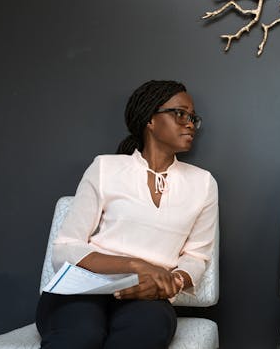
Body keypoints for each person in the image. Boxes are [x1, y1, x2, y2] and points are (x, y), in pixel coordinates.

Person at [35, 80, 218, 349]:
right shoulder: (105, 168)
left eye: (193, 117)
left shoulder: (203, 183)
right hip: (81, 291)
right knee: (80, 337)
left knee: (140, 337)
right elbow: (65, 250)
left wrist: (172, 281)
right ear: (150, 120)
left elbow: (196, 257)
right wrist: (136, 265)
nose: (190, 123)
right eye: (180, 113)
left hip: (147, 298)